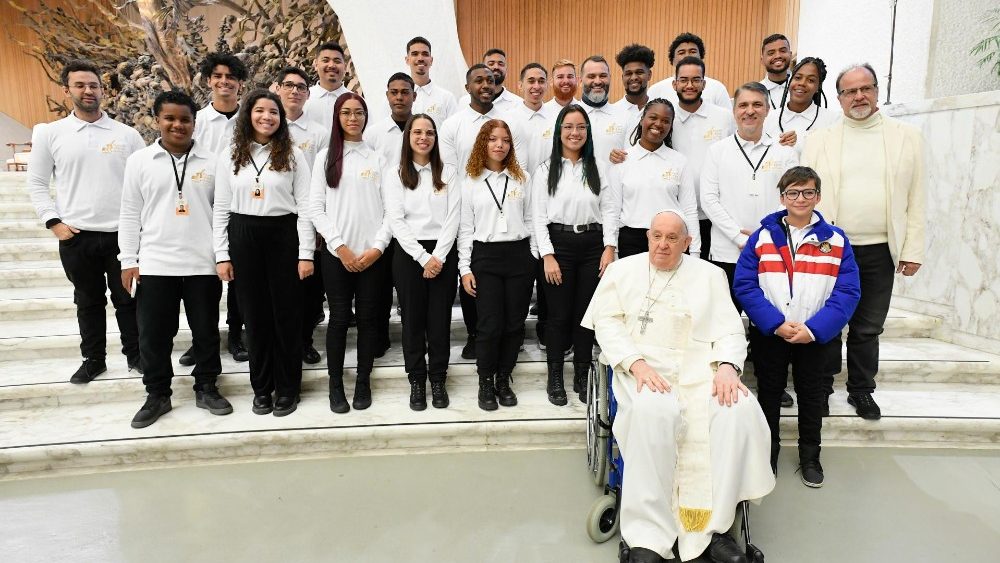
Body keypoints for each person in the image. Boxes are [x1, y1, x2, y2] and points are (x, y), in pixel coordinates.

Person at [581, 210, 774, 563]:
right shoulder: (622, 271)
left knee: (737, 409)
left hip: (701, 368)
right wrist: (635, 363)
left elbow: (731, 330)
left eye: (673, 238)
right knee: (654, 412)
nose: (663, 244)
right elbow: (606, 324)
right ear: (647, 237)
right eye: (657, 236)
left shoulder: (710, 275)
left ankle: (714, 530)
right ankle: (647, 536)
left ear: (687, 242)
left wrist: (729, 367)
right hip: (642, 368)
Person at [803, 63, 926, 420]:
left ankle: (861, 389)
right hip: (830, 246)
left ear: (876, 90)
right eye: (849, 91)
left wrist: (913, 249)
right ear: (838, 97)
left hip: (879, 248)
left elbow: (918, 198)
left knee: (868, 325)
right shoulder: (820, 140)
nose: (859, 96)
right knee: (826, 321)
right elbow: (808, 194)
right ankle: (821, 388)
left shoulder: (907, 137)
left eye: (865, 88)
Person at [734, 166, 860, 487]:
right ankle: (767, 453)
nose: (800, 198)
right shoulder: (762, 238)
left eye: (807, 192)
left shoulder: (835, 240)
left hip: (815, 335)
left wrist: (815, 329)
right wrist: (775, 323)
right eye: (793, 192)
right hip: (772, 333)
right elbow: (745, 285)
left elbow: (847, 291)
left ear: (817, 196)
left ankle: (810, 455)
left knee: (811, 394)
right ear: (782, 197)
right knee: (770, 393)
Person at [119, 90, 233, 428]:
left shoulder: (213, 162)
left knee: (206, 333)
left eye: (185, 119)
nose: (177, 125)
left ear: (194, 123)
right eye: (170, 118)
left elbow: (222, 213)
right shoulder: (139, 162)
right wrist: (128, 259)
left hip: (202, 263)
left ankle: (207, 386)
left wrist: (222, 255)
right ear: (157, 120)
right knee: (154, 336)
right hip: (155, 264)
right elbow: (129, 213)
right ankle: (157, 394)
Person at [27, 59, 145, 383]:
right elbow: (36, 182)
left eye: (93, 85)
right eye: (80, 85)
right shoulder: (53, 134)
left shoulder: (127, 135)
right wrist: (54, 223)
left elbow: (146, 181)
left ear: (102, 90)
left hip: (122, 236)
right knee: (88, 302)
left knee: (128, 300)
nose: (88, 90)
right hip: (77, 236)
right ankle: (94, 359)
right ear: (67, 90)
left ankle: (136, 355)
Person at [213, 89, 314, 417]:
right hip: (244, 236)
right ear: (248, 115)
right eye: (260, 111)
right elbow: (221, 209)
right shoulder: (230, 154)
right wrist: (222, 253)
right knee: (254, 317)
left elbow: (306, 206)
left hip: (284, 234)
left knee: (286, 316)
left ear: (280, 118)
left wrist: (306, 253)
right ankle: (262, 389)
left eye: (273, 112)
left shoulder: (293, 154)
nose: (267, 117)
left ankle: (288, 388)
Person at [310, 93, 392, 414]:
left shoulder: (378, 160)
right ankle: (335, 385)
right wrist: (340, 247)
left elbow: (390, 211)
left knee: (370, 321)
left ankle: (362, 381)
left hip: (372, 257)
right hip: (337, 256)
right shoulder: (324, 159)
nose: (353, 118)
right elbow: (316, 209)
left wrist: (376, 248)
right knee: (340, 319)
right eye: (346, 113)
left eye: (359, 113)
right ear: (337, 117)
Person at [440, 64, 525, 359]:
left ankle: (499, 340)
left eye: (490, 80)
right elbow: (450, 172)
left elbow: (517, 165)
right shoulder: (454, 124)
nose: (486, 85)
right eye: (479, 80)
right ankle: (476, 334)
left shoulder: (508, 122)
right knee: (472, 284)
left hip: (504, 206)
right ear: (467, 88)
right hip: (469, 205)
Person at [533, 105, 616, 405]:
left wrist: (610, 248)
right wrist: (547, 255)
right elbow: (538, 216)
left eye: (580, 127)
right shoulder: (545, 170)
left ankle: (582, 373)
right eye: (568, 127)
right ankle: (555, 374)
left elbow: (609, 209)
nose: (574, 133)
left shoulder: (598, 167)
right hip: (559, 245)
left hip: (593, 245)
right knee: (558, 316)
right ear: (559, 132)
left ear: (588, 132)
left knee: (585, 315)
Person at [458, 119, 536, 411]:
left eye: (504, 140)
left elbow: (530, 219)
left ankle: (504, 379)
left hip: (519, 257)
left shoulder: (522, 178)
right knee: (489, 325)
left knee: (514, 325)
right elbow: (465, 229)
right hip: (485, 257)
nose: (499, 145)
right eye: (493, 139)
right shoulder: (471, 181)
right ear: (483, 143)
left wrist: (533, 256)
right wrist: (465, 268)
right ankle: (485, 381)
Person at [384, 113, 460, 410]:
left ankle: (438, 378)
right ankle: (417, 379)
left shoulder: (449, 173)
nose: (424, 137)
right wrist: (422, 257)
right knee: (413, 320)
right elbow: (396, 220)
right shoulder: (396, 173)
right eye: (417, 132)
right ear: (408, 137)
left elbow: (453, 217)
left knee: (439, 320)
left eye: (429, 133)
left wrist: (438, 257)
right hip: (408, 254)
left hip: (442, 252)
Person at [700, 82, 798, 303]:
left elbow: (791, 199)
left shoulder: (784, 152)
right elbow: (708, 199)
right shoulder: (717, 151)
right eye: (743, 105)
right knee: (726, 321)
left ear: (767, 109)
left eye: (757, 105)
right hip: (727, 252)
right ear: (734, 111)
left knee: (766, 327)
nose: (750, 111)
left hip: (771, 251)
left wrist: (765, 234)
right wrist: (737, 236)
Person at [188, 52, 251, 364]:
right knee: (203, 277)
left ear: (240, 84)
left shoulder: (250, 122)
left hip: (238, 207)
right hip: (202, 206)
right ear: (208, 81)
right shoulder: (197, 121)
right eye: (218, 76)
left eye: (231, 77)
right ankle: (203, 337)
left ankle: (236, 333)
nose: (224, 82)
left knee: (237, 276)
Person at [274, 66, 330, 365]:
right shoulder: (268, 127)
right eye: (288, 85)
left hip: (309, 217)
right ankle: (282, 339)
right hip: (276, 219)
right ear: (278, 89)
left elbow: (321, 182)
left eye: (300, 87)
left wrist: (320, 223)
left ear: (308, 94)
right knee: (282, 284)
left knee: (309, 286)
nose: (294, 91)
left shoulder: (319, 133)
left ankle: (305, 339)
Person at [610, 98, 699, 258]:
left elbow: (690, 210)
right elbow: (613, 211)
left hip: (669, 241)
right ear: (642, 119)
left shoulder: (679, 161)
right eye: (653, 117)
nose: (658, 124)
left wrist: (694, 251)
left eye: (666, 121)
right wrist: (612, 249)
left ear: (671, 126)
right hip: (630, 242)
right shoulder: (622, 160)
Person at [670, 57, 735, 261]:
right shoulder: (666, 118)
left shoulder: (724, 117)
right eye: (684, 80)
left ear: (704, 84)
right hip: (677, 214)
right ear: (675, 84)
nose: (690, 85)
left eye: (696, 80)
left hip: (715, 216)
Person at [763, 57, 840, 152]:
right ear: (790, 81)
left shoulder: (832, 120)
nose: (802, 83)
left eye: (811, 80)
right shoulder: (769, 118)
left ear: (818, 87)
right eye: (798, 78)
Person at [648, 33, 732, 110]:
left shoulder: (717, 88)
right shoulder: (656, 90)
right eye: (681, 52)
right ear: (672, 60)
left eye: (692, 51)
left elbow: (728, 121)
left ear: (701, 57)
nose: (687, 55)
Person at [578, 55, 627, 163]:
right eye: (591, 76)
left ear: (610, 78)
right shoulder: (568, 116)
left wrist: (623, 158)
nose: (598, 81)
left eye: (603, 76)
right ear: (580, 81)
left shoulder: (623, 116)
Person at [405, 36, 457, 122]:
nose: (420, 58)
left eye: (425, 54)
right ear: (407, 60)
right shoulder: (396, 98)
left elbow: (454, 132)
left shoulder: (447, 98)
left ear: (431, 60)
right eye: (415, 54)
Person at [458, 48, 524, 113]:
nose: (496, 67)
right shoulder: (464, 102)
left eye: (501, 64)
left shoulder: (518, 103)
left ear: (506, 70)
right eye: (491, 64)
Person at [612, 43, 656, 140]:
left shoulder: (658, 110)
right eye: (628, 73)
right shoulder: (611, 112)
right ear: (622, 77)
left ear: (649, 75)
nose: (634, 77)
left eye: (639, 72)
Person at [303, 42, 351, 129]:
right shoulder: (303, 99)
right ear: (316, 65)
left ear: (345, 66)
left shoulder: (356, 101)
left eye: (337, 61)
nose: (332, 65)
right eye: (325, 60)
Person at [759, 34, 793, 110]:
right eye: (771, 53)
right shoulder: (755, 91)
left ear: (790, 55)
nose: (778, 56)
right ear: (762, 60)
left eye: (783, 51)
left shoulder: (802, 89)